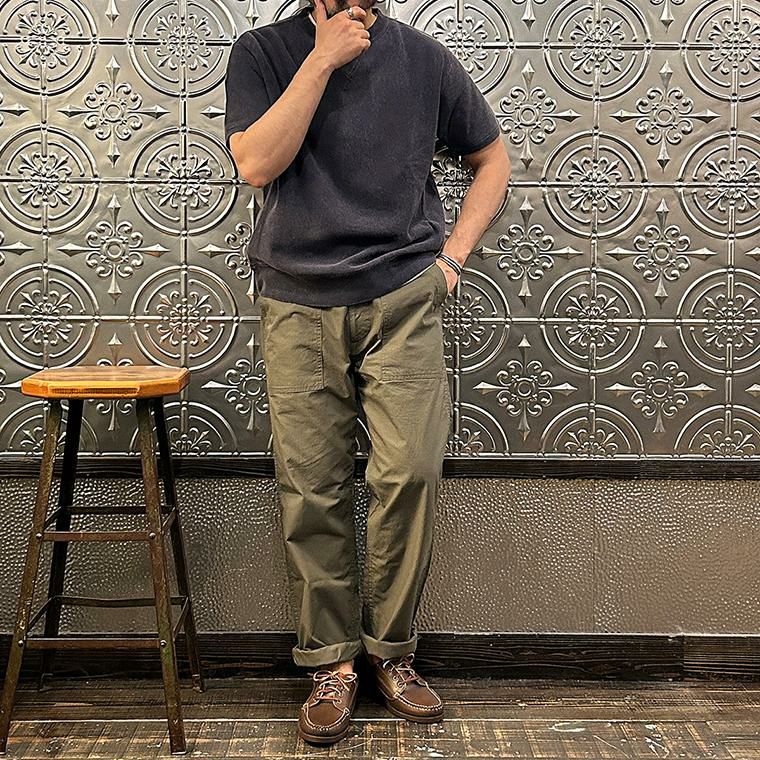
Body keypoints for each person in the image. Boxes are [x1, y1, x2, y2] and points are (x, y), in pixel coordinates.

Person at [224, 0, 510, 745]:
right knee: (311, 485)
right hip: (295, 301)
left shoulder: (423, 57)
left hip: (402, 300)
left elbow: (493, 159)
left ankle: (391, 653)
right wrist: (323, 57)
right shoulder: (262, 52)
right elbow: (256, 164)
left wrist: (450, 261)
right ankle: (332, 664)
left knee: (410, 471)